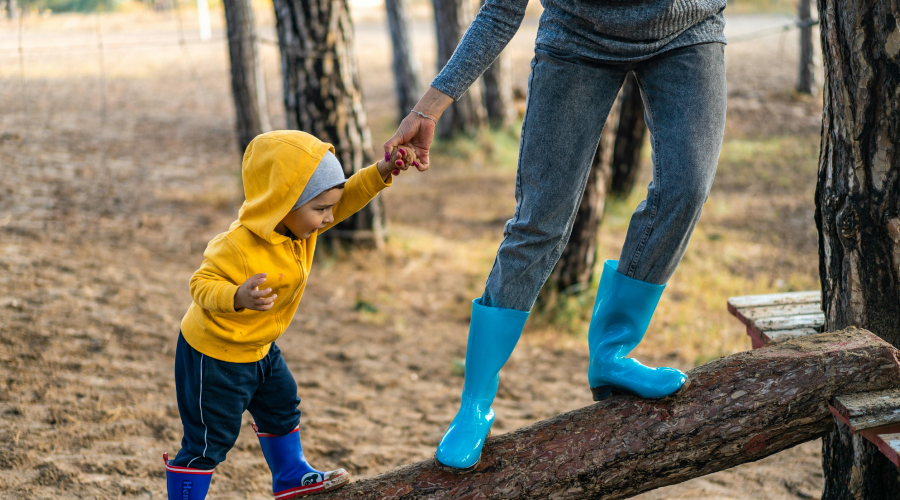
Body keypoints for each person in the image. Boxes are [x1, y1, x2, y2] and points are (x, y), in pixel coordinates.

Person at [385, 0, 728, 470]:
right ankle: (475, 405)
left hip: (689, 29)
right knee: (538, 223)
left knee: (685, 191)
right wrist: (430, 107)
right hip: (578, 37)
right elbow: (501, 9)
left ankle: (612, 353)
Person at [164, 130, 418, 500]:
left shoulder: (302, 226)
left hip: (261, 347)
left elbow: (345, 198)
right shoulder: (236, 245)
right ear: (282, 203)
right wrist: (236, 295)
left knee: (282, 405)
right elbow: (199, 284)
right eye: (320, 209)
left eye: (329, 208)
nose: (329, 217)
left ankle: (289, 474)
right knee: (210, 440)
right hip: (214, 357)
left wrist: (381, 171)